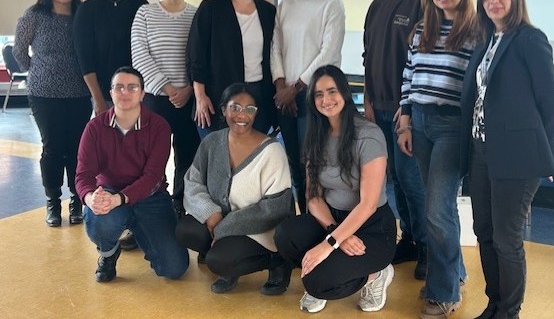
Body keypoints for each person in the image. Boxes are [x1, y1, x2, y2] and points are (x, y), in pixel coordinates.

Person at [460, 0, 554, 319]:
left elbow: (550, 102)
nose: (494, 0)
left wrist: (545, 155)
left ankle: (510, 312)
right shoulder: (486, 41)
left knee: (507, 238)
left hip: (517, 156)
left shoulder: (530, 39)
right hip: (480, 150)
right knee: (484, 232)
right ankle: (495, 304)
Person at [275, 65, 396, 314]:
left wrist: (329, 244)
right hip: (332, 219)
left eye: (332, 91)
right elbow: (313, 197)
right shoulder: (316, 134)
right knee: (285, 236)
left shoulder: (369, 135)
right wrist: (334, 232)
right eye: (318, 94)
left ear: (345, 93)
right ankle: (328, 266)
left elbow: (368, 204)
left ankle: (376, 274)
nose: (326, 99)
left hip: (371, 227)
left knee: (317, 283)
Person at [397, 0, 477, 318]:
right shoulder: (421, 29)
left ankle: (443, 292)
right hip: (421, 122)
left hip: (452, 127)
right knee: (441, 206)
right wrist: (405, 122)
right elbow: (409, 75)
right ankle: (455, 272)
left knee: (436, 209)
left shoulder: (476, 31)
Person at [176, 83, 293, 295]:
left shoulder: (272, 151)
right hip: (219, 220)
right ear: (223, 110)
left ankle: (277, 261)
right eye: (235, 107)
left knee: (218, 261)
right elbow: (193, 182)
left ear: (256, 113)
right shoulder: (212, 142)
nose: (242, 115)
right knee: (186, 231)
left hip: (259, 228)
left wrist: (224, 227)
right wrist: (210, 213)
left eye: (250, 109)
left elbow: (275, 209)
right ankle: (227, 256)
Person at [75, 66, 189, 283]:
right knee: (99, 220)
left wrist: (120, 199)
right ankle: (108, 253)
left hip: (151, 197)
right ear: (111, 93)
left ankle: (140, 230)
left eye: (132, 87)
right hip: (109, 192)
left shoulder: (159, 126)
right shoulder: (94, 128)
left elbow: (153, 176)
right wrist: (91, 199)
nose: (125, 92)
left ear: (142, 94)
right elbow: (83, 175)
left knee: (175, 268)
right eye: (119, 87)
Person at [362, 0, 427, 277]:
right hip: (378, 109)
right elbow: (368, 56)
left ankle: (429, 248)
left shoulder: (424, 1)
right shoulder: (377, 5)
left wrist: (409, 109)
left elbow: (426, 61)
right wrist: (367, 98)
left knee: (412, 180)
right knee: (396, 182)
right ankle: (411, 240)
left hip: (406, 112)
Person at [13, 0, 92, 227]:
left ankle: (77, 199)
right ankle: (53, 201)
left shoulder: (83, 14)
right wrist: (37, 70)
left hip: (80, 92)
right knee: (52, 147)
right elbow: (19, 51)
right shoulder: (34, 15)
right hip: (44, 94)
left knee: (77, 148)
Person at [271, 0, 345, 213]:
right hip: (286, 99)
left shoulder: (331, 3)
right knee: (294, 165)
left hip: (315, 96)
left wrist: (296, 88)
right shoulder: (286, 4)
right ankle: (303, 219)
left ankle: (320, 221)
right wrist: (282, 87)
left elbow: (328, 51)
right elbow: (275, 47)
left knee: (313, 164)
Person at [131, 0, 200, 217]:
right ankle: (153, 203)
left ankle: (180, 204)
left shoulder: (197, 14)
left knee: (188, 154)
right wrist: (169, 88)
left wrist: (189, 89)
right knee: (152, 155)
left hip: (190, 98)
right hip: (157, 98)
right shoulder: (145, 13)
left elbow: (202, 56)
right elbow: (139, 55)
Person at [188, 0, 276, 138]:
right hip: (218, 96)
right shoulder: (210, 8)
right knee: (220, 153)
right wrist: (200, 97)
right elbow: (196, 55)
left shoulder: (268, 11)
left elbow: (275, 54)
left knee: (253, 153)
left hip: (259, 95)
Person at [73, 0, 148, 116]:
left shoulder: (140, 4)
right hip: (104, 94)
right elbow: (85, 60)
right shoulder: (86, 10)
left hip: (138, 92)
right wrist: (98, 99)